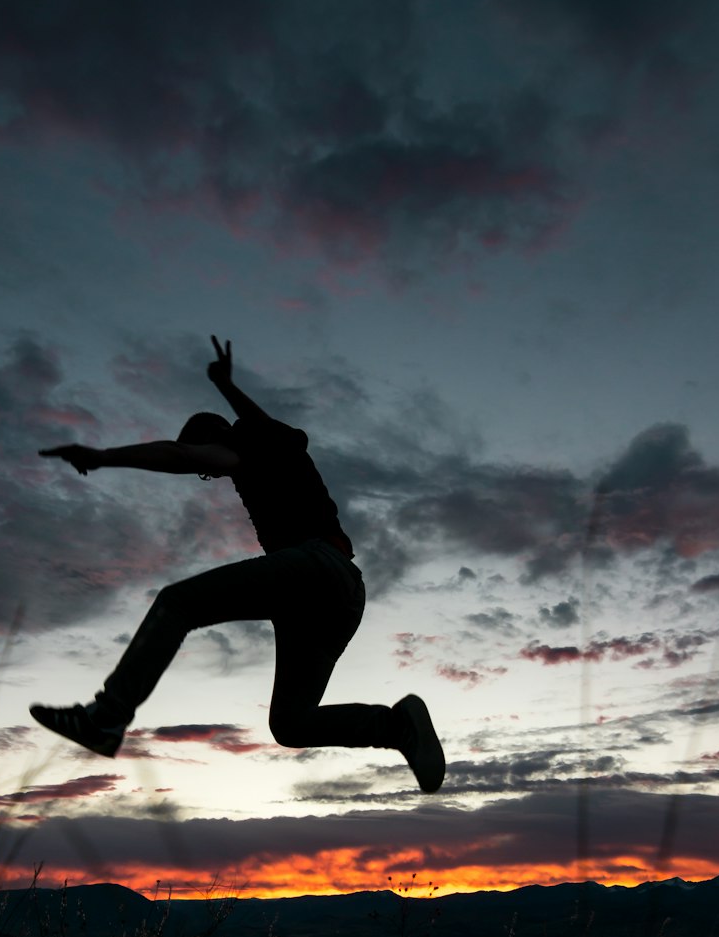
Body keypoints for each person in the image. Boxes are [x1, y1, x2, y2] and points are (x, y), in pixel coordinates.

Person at [30, 337, 445, 791]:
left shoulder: (245, 445)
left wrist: (106, 457)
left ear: (215, 444)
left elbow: (185, 454)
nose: (213, 474)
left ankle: (106, 717)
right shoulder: (279, 443)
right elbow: (257, 423)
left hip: (315, 568)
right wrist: (226, 385)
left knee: (177, 603)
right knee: (291, 725)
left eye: (209, 470)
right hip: (340, 597)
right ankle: (397, 727)